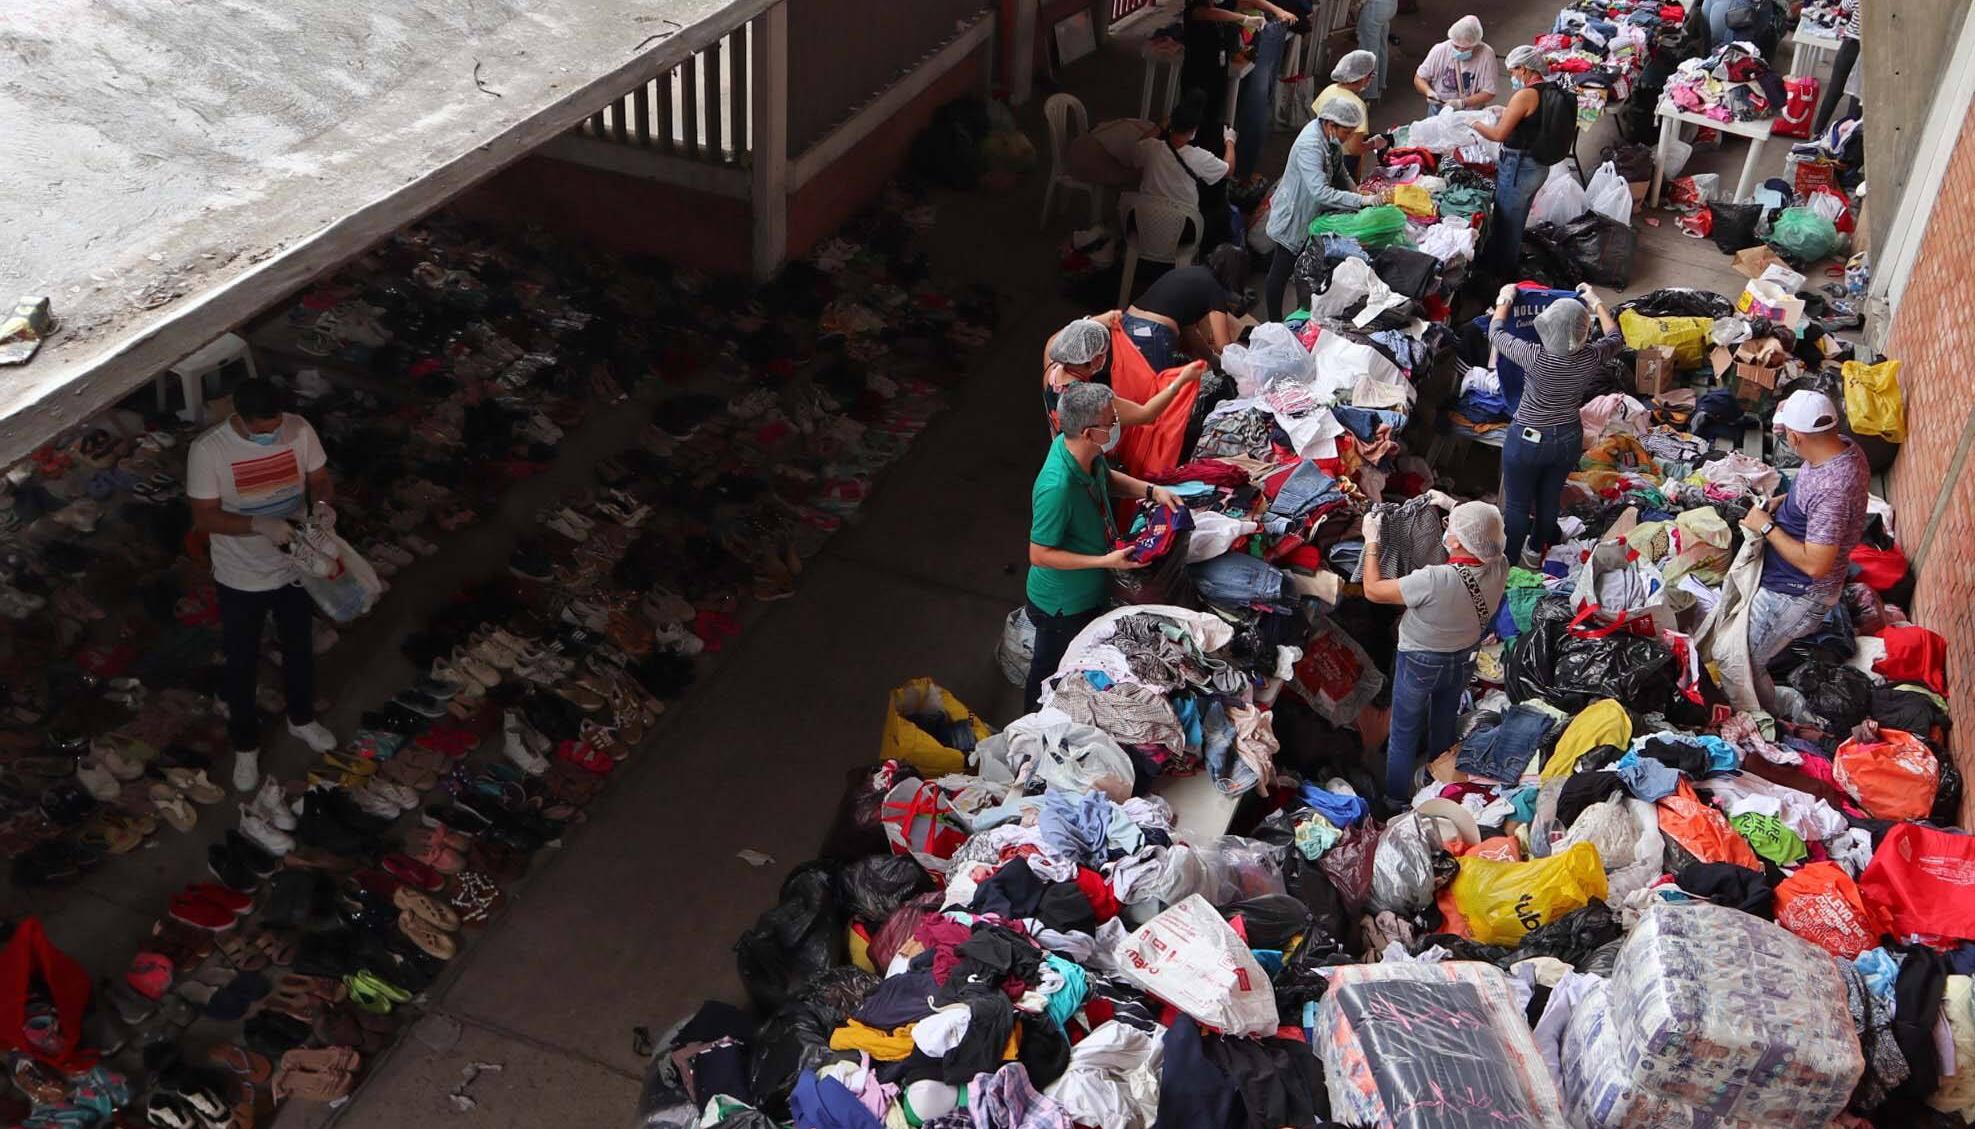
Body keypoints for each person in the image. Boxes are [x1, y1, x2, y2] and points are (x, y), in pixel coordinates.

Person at [187, 380, 340, 793]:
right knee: (242, 662)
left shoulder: (299, 429)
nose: (273, 434)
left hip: (294, 563)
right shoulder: (209, 451)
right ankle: (246, 745)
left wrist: (322, 509)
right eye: (263, 430)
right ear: (240, 416)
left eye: (276, 425)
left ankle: (302, 718)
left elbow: (320, 479)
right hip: (241, 574)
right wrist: (257, 524)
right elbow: (205, 517)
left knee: (299, 646)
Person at [1024, 382, 1183, 711]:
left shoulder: (1086, 454)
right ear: (1087, 431)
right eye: (1110, 423)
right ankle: (1026, 730)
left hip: (1089, 589)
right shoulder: (1057, 487)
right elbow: (1039, 554)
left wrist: (1152, 491)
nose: (1115, 427)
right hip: (1062, 604)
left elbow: (1106, 479)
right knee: (1049, 674)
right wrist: (1105, 560)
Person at [1361, 500, 1507, 803]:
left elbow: (1373, 590)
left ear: (1455, 541)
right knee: (1444, 717)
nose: (1446, 530)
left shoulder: (1434, 580)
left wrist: (1372, 540)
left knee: (1404, 730)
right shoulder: (1500, 565)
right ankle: (1439, 779)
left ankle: (1395, 799)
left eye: (1450, 527)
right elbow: (1480, 529)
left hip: (1420, 661)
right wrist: (1449, 503)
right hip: (1464, 657)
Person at [1741, 390, 1870, 707]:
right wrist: (1780, 503)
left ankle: (1765, 713)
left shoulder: (1833, 490)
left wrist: (1766, 527)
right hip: (1788, 579)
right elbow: (1810, 498)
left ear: (1797, 438)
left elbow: (1816, 564)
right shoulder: (1843, 448)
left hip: (1797, 593)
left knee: (1743, 660)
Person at [1486, 283, 1624, 564]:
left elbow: (1496, 332)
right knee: (1549, 499)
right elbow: (1616, 337)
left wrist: (1506, 297)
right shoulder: (1591, 356)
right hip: (1567, 439)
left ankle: (1509, 564)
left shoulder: (1534, 356)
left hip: (1526, 439)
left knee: (1517, 505)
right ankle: (1535, 550)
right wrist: (1595, 301)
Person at [1262, 98, 1382, 321]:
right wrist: (1361, 202)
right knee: (1282, 270)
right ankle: (1275, 322)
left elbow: (1340, 172)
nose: (1348, 136)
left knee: (1307, 268)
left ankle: (1304, 317)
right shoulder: (1311, 145)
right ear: (1330, 124)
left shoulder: (1329, 138)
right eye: (1346, 131)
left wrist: (1357, 193)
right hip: (1295, 215)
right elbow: (1321, 192)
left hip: (1312, 214)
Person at [1471, 46, 1578, 277]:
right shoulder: (1549, 88)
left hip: (1519, 167)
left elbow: (1498, 135)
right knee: (1517, 218)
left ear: (1524, 69)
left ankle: (1501, 274)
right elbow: (1531, 120)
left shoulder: (1525, 95)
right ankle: (1507, 263)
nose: (1512, 76)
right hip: (1538, 167)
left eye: (1513, 71)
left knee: (1506, 222)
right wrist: (1505, 111)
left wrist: (1475, 124)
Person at [1040, 315, 1204, 433]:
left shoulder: (1051, 372)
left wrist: (1103, 319)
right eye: (1104, 354)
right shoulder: (1092, 399)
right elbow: (1146, 415)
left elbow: (1056, 338)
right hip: (1085, 467)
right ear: (1096, 359)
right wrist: (1182, 379)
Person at [1130, 92, 1236, 244]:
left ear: (1171, 124)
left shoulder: (1151, 148)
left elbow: (1138, 145)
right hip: (1180, 231)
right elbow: (1229, 170)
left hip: (1145, 226)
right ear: (1194, 130)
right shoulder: (1199, 157)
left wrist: (1160, 127)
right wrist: (1230, 141)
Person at [1122, 264, 1243, 371]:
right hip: (1153, 333)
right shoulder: (1215, 288)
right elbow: (1223, 344)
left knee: (1133, 386)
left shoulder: (1190, 275)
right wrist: (1243, 367)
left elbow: (1190, 333)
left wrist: (1212, 358)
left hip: (1127, 324)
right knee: (1161, 390)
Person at [1314, 51, 1391, 176]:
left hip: (1319, 154)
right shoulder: (1357, 106)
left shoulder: (1328, 91)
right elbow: (1354, 149)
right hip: (1343, 162)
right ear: (1365, 77)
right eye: (1372, 75)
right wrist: (1373, 143)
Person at [1414, 16, 1498, 114]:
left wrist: (1462, 103)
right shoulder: (1440, 50)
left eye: (1466, 48)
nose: (1460, 51)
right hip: (1438, 109)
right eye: (1456, 46)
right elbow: (1419, 78)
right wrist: (1428, 91)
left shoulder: (1486, 55)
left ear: (1476, 43)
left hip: (1470, 112)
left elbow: (1489, 92)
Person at [1812, 0, 1862, 133]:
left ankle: (1817, 131)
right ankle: (1846, 143)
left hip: (1851, 45)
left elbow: (1845, 6)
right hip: (1870, 51)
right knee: (1857, 97)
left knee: (1834, 91)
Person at [1354, 0, 1401, 100]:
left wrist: (1358, 4)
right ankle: (1379, 85)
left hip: (1375, 6)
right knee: (1381, 48)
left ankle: (1369, 93)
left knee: (1369, 51)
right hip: (1390, 6)